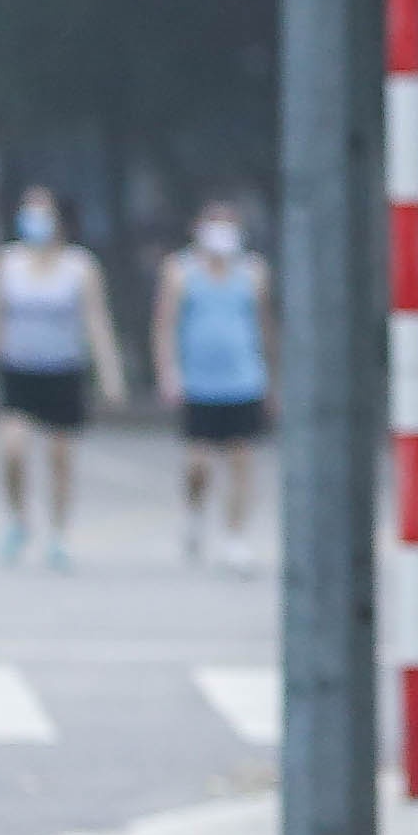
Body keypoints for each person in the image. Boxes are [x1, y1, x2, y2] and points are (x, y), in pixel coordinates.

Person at [0, 187, 117, 569]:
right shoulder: (6, 262)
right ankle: (18, 519)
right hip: (18, 370)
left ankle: (59, 534)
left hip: (62, 371)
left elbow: (96, 321)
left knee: (60, 459)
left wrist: (109, 373)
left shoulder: (80, 267)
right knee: (12, 449)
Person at [155, 201, 270, 570]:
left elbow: (265, 327)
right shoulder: (180, 271)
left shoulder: (253, 273)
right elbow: (165, 325)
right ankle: (194, 515)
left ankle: (235, 535)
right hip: (199, 383)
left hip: (243, 380)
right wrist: (169, 371)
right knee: (198, 464)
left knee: (241, 460)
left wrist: (271, 376)